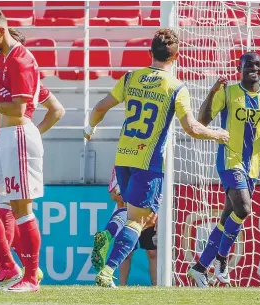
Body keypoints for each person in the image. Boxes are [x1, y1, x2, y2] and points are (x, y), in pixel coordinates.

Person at [83, 28, 229, 288]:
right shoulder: (176, 87)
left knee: (127, 211)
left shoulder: (131, 78)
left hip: (123, 158)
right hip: (148, 163)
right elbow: (192, 128)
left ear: (150, 53)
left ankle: (108, 233)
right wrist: (217, 134)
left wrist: (90, 128)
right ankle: (107, 270)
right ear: (176, 57)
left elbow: (101, 107)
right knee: (141, 220)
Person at [187, 52, 260, 287]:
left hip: (253, 166)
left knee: (228, 217)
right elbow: (203, 120)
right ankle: (221, 258)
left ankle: (199, 268)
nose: (254, 68)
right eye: (249, 64)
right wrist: (212, 92)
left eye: (258, 65)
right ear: (240, 68)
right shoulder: (229, 93)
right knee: (244, 208)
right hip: (230, 160)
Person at [0, 8, 45, 292]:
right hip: (3, 140)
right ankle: (8, 266)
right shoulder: (4, 60)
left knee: (21, 209)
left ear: (2, 30)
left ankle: (31, 277)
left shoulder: (21, 59)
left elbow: (20, 108)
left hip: (18, 137)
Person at [0, 61, 64, 287]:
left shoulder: (26, 80)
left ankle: (5, 269)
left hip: (16, 147)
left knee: (8, 209)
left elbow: (57, 110)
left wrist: (33, 132)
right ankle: (15, 267)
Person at [91, 168, 157, 286]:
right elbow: (114, 195)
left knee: (152, 252)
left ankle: (108, 234)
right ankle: (120, 283)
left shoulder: (123, 159)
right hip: (139, 213)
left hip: (142, 213)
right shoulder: (152, 162)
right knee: (127, 253)